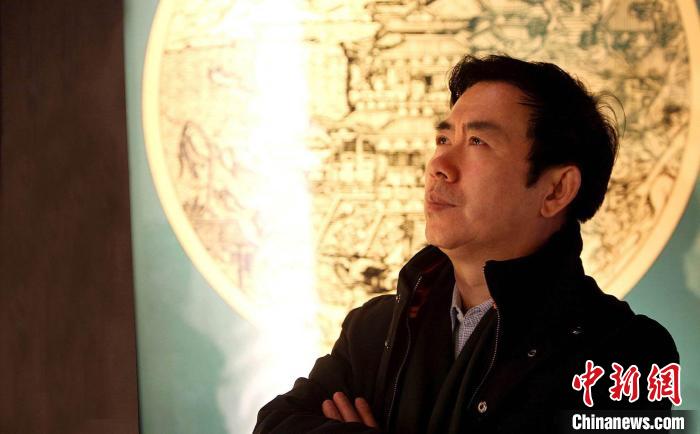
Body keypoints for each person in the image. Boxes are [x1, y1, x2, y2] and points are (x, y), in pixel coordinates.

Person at [254, 54, 680, 433]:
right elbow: (274, 423)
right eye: (443, 139)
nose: (438, 165)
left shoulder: (627, 356)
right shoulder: (374, 329)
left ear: (556, 190)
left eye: (477, 142)